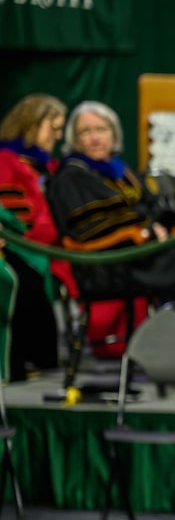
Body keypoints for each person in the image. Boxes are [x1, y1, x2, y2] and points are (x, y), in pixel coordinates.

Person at [46, 101, 175, 320]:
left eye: (101, 129)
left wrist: (161, 225)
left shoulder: (119, 171)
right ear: (74, 140)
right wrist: (146, 230)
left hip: (143, 252)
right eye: (85, 132)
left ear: (113, 134)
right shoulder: (72, 177)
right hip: (114, 262)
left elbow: (151, 207)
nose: (95, 138)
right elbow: (92, 227)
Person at [0, 94, 70, 381]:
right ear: (31, 124)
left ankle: (41, 358)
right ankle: (27, 359)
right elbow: (10, 207)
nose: (57, 136)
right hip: (21, 242)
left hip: (52, 247)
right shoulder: (6, 160)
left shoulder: (49, 165)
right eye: (52, 128)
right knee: (26, 278)